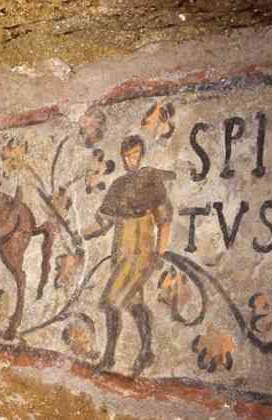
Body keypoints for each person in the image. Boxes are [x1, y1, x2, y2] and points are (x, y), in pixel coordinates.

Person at [82, 135, 174, 376]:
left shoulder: (151, 180)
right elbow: (104, 222)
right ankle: (146, 351)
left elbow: (164, 220)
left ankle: (110, 356)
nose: (130, 160)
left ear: (141, 154)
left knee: (111, 302)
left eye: (134, 155)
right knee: (133, 304)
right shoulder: (118, 185)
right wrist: (84, 234)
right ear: (122, 157)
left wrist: (159, 253)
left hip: (141, 251)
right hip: (121, 251)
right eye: (126, 156)